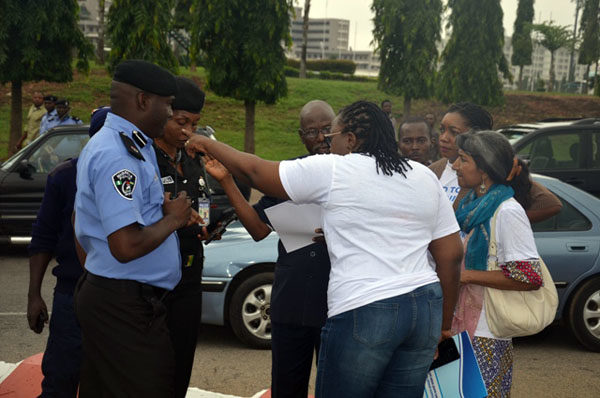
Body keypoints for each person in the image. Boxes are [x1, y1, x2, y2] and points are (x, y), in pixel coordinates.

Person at [185, 100, 463, 397]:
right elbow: (451, 255)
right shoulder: (422, 176)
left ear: (351, 139)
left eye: (333, 137)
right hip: (424, 309)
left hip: (366, 306)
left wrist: (207, 144)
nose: (328, 144)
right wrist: (444, 326)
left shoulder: (334, 169)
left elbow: (254, 171)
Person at [74, 59, 195, 396]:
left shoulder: (131, 146)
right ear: (143, 101)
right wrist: (174, 219)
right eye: (168, 105)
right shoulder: (118, 154)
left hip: (121, 299)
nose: (171, 114)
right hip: (124, 306)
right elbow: (125, 245)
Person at [205, 100, 334, 398]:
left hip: (337, 303)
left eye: (327, 129)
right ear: (301, 136)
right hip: (293, 301)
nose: (321, 138)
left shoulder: (354, 173)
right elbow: (258, 229)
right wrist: (227, 181)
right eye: (312, 131)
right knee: (287, 388)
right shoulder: (290, 174)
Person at [451, 130, 543, 397]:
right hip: (464, 327)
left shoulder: (508, 212)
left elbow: (528, 277)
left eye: (463, 160)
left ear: (485, 170)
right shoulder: (471, 208)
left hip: (486, 333)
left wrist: (467, 277)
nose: (456, 166)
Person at [26, 107, 110, 397]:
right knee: (60, 380)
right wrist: (34, 295)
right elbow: (43, 237)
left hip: (115, 298)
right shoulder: (64, 177)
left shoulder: (129, 177)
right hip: (70, 295)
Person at [153, 76, 211, 398]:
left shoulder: (192, 159)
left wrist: (204, 224)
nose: (188, 130)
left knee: (181, 363)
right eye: (181, 121)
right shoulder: (145, 158)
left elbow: (203, 202)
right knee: (152, 366)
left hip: (190, 277)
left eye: (194, 123)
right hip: (154, 279)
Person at [429, 102, 562, 223]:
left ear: (477, 136)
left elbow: (551, 204)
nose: (443, 138)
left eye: (454, 132)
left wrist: (495, 222)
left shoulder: (493, 170)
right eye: (442, 130)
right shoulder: (434, 170)